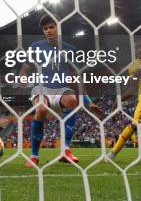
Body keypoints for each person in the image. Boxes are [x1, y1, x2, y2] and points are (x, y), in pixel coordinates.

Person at [18, 15, 104, 167]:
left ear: (58, 27)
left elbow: (77, 77)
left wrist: (88, 102)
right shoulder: (36, 47)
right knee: (42, 109)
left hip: (61, 89)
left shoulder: (70, 50)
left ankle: (66, 150)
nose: (49, 31)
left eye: (51, 27)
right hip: (41, 87)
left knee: (72, 100)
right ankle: (34, 156)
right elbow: (25, 69)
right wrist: (23, 78)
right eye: (45, 28)